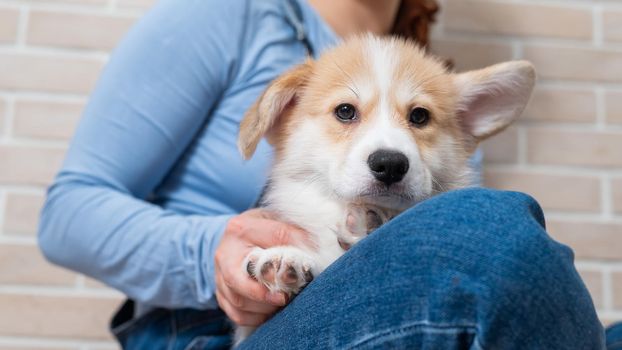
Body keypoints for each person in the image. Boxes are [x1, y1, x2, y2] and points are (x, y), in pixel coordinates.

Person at [37, 0, 618, 349]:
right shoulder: (229, 14)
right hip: (211, 329)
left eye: (418, 118)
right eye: (346, 112)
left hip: (392, 316)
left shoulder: (434, 90)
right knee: (489, 225)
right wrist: (216, 250)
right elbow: (68, 212)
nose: (391, 144)